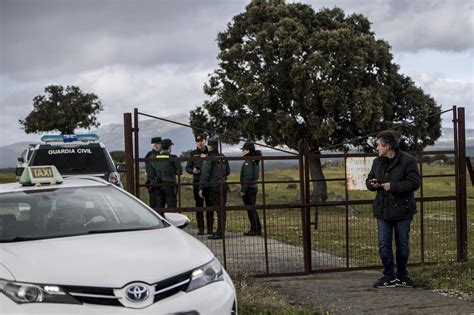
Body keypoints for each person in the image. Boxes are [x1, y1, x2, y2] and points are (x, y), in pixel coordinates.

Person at [366, 130, 420, 288]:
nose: (376, 148)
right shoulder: (377, 162)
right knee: (384, 245)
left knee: (402, 245)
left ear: (388, 146)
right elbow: (369, 179)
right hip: (382, 210)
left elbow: (414, 183)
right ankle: (389, 276)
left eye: (378, 144)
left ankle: (402, 276)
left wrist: (393, 186)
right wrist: (372, 184)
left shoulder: (409, 161)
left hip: (402, 210)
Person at [199, 139, 230, 240]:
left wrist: (201, 188)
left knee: (218, 209)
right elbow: (228, 171)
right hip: (223, 185)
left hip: (214, 187)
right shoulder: (223, 157)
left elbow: (205, 174)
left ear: (210, 147)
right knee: (222, 209)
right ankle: (221, 231)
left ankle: (219, 233)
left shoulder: (209, 158)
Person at [185, 135, 213, 235]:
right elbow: (187, 168)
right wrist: (193, 171)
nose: (200, 143)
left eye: (201, 141)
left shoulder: (210, 153)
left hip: (208, 183)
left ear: (205, 141)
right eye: (198, 141)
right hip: (197, 182)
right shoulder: (193, 154)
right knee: (199, 206)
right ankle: (201, 229)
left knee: (210, 206)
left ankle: (210, 229)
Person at [150, 138, 183, 216]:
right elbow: (180, 171)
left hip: (158, 184)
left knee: (160, 206)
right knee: (171, 206)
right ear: (169, 147)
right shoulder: (173, 157)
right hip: (170, 184)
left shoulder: (155, 157)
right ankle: (172, 224)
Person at [240, 142, 262, 236]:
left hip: (249, 188)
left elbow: (247, 177)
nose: (242, 152)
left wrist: (243, 190)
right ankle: (258, 228)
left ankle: (254, 230)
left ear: (247, 150)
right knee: (253, 208)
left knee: (250, 209)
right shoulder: (255, 160)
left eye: (243, 150)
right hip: (254, 187)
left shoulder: (248, 161)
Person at [145, 137, 161, 209]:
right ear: (155, 145)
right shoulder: (152, 155)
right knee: (156, 205)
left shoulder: (155, 154)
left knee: (158, 205)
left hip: (156, 183)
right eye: (158, 144)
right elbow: (157, 167)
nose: (160, 146)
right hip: (154, 183)